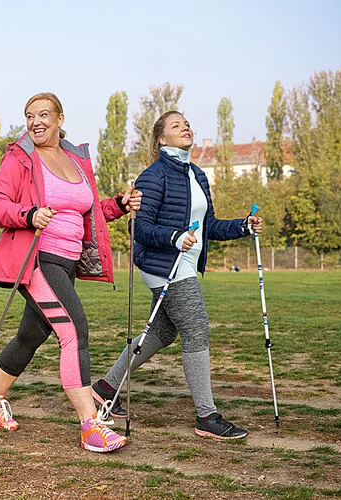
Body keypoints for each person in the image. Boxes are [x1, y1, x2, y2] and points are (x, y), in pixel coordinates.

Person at [0, 92, 142, 453]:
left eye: (44, 114)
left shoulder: (76, 160)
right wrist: (29, 214)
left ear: (60, 118)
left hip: (68, 263)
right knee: (74, 330)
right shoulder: (20, 158)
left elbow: (87, 209)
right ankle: (90, 425)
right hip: (38, 260)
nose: (36, 122)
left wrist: (118, 205)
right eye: (30, 116)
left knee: (30, 337)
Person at [91, 111, 264, 440]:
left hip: (184, 264)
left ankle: (105, 387)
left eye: (186, 123)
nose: (184, 127)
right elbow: (140, 228)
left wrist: (243, 225)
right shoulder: (152, 176)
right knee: (197, 328)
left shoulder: (197, 175)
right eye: (175, 125)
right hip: (163, 266)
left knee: (162, 332)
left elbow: (209, 225)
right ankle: (206, 416)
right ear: (161, 139)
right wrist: (173, 237)